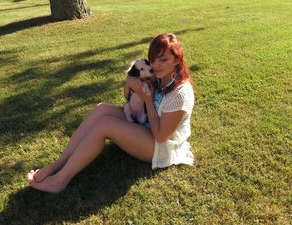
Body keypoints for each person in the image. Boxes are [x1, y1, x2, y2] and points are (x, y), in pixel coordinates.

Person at [27, 33, 195, 193]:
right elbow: (127, 97)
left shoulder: (179, 94)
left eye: (163, 59)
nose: (156, 65)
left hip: (161, 147)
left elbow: (160, 136)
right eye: (153, 59)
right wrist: (129, 83)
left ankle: (59, 181)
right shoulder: (159, 75)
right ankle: (57, 165)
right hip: (145, 125)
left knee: (104, 125)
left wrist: (149, 101)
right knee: (101, 109)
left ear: (177, 59)